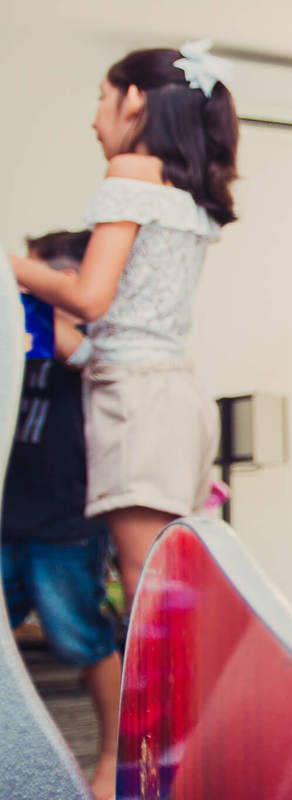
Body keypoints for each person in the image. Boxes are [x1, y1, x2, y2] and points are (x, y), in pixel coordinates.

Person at [8, 42, 237, 610]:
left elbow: (89, 298)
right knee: (170, 579)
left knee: (146, 583)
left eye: (101, 98)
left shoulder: (129, 173)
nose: (94, 119)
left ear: (133, 100)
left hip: (137, 405)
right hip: (174, 396)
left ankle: (162, 677)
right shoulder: (184, 191)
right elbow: (117, 330)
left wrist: (13, 266)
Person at [3, 230, 119, 799]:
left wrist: (36, 294)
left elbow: (82, 353)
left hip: (66, 523)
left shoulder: (93, 342)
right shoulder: (22, 338)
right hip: (9, 516)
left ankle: (114, 757)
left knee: (82, 640)